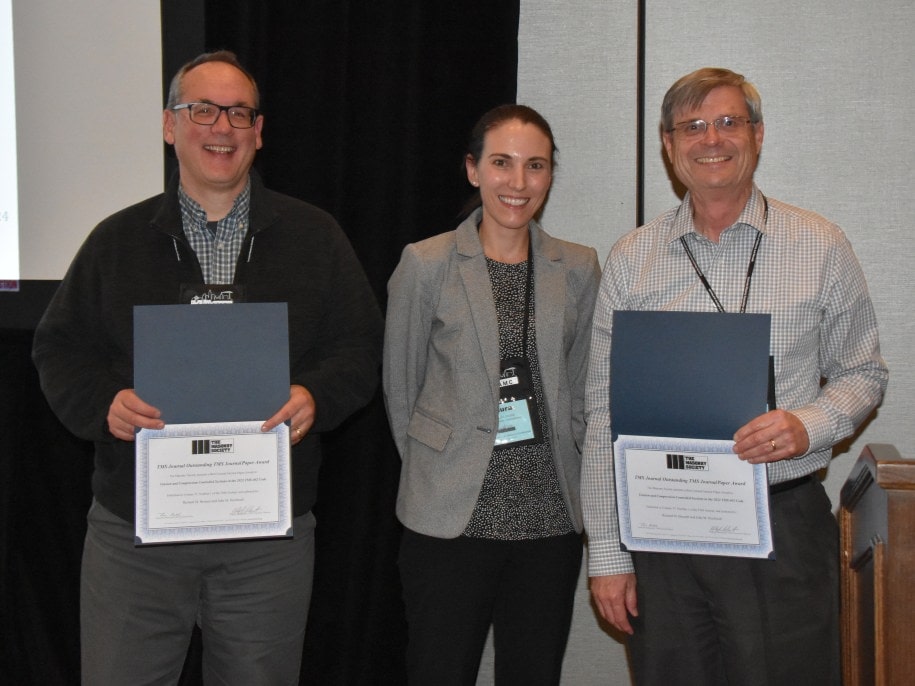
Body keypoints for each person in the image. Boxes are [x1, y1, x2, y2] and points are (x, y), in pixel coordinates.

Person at [32, 51, 383, 684]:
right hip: (136, 537)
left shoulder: (315, 237)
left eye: (239, 113)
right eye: (202, 110)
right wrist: (103, 402)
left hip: (265, 541)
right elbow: (58, 348)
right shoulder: (116, 240)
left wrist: (316, 395)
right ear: (170, 126)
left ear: (258, 131)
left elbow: (360, 347)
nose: (221, 127)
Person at [581, 67, 888, 685]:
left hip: (782, 526)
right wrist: (609, 554)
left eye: (728, 122)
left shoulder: (819, 244)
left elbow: (864, 371)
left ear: (758, 134)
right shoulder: (630, 260)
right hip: (663, 531)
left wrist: (809, 425)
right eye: (691, 126)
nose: (711, 139)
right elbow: (601, 415)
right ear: (668, 146)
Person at [383, 104, 601, 685]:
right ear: (473, 170)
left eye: (535, 165)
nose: (519, 182)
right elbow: (400, 390)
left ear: (550, 176)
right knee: (438, 672)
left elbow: (583, 393)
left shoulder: (577, 267)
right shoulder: (426, 264)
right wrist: (442, 465)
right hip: (449, 518)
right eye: (502, 163)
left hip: (550, 521)